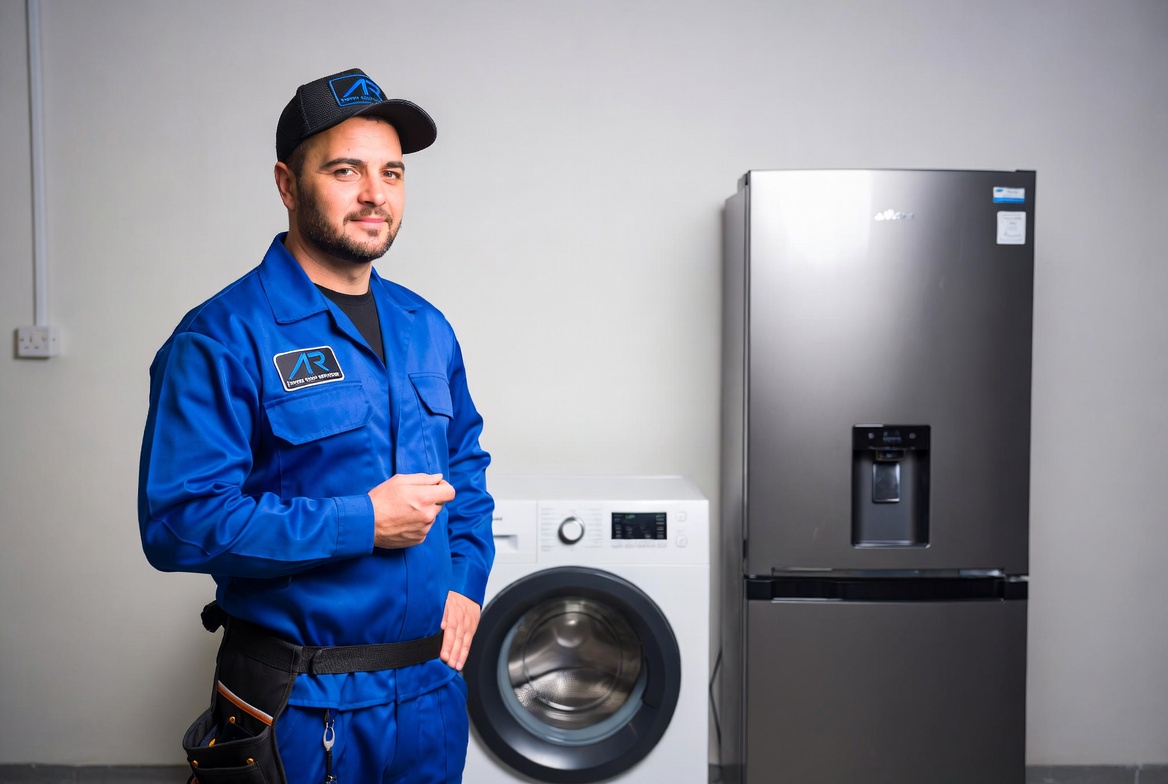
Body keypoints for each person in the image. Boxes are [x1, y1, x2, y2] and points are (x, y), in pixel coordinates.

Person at [138, 67, 494, 784]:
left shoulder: (427, 328)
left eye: (392, 172)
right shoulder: (222, 337)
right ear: (287, 184)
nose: (375, 194)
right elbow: (179, 523)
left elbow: (466, 472)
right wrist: (362, 522)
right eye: (345, 170)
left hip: (430, 696)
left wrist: (466, 581)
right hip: (301, 705)